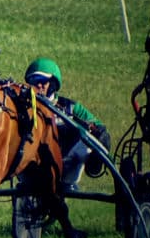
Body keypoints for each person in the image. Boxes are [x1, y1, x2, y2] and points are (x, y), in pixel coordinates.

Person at [24, 57, 111, 192]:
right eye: (34, 82)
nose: (38, 86)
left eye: (42, 81)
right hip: (33, 168)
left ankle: (68, 182)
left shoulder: (70, 108)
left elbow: (99, 129)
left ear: (53, 83)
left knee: (90, 142)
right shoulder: (24, 107)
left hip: (67, 165)